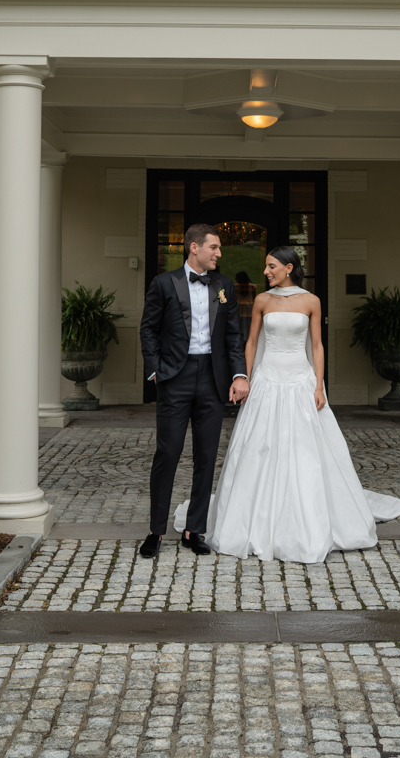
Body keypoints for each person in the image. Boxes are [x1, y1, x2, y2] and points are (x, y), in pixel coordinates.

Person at [176, 245, 400, 564]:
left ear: (289, 268)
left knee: (306, 452)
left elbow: (316, 345)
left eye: (271, 266)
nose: (266, 271)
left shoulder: (311, 301)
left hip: (301, 380)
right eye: (265, 266)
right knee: (259, 448)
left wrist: (318, 385)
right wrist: (244, 378)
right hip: (267, 380)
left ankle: (308, 522)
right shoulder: (262, 300)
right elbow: (250, 343)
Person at [138, 224, 248, 559]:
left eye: (219, 249)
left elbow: (232, 335)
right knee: (167, 454)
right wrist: (157, 370)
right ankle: (156, 531)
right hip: (175, 376)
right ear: (194, 248)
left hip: (213, 379)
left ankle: (194, 529)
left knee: (206, 456)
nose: (218, 254)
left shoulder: (224, 286)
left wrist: (239, 374)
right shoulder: (163, 283)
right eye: (213, 247)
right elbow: (149, 329)